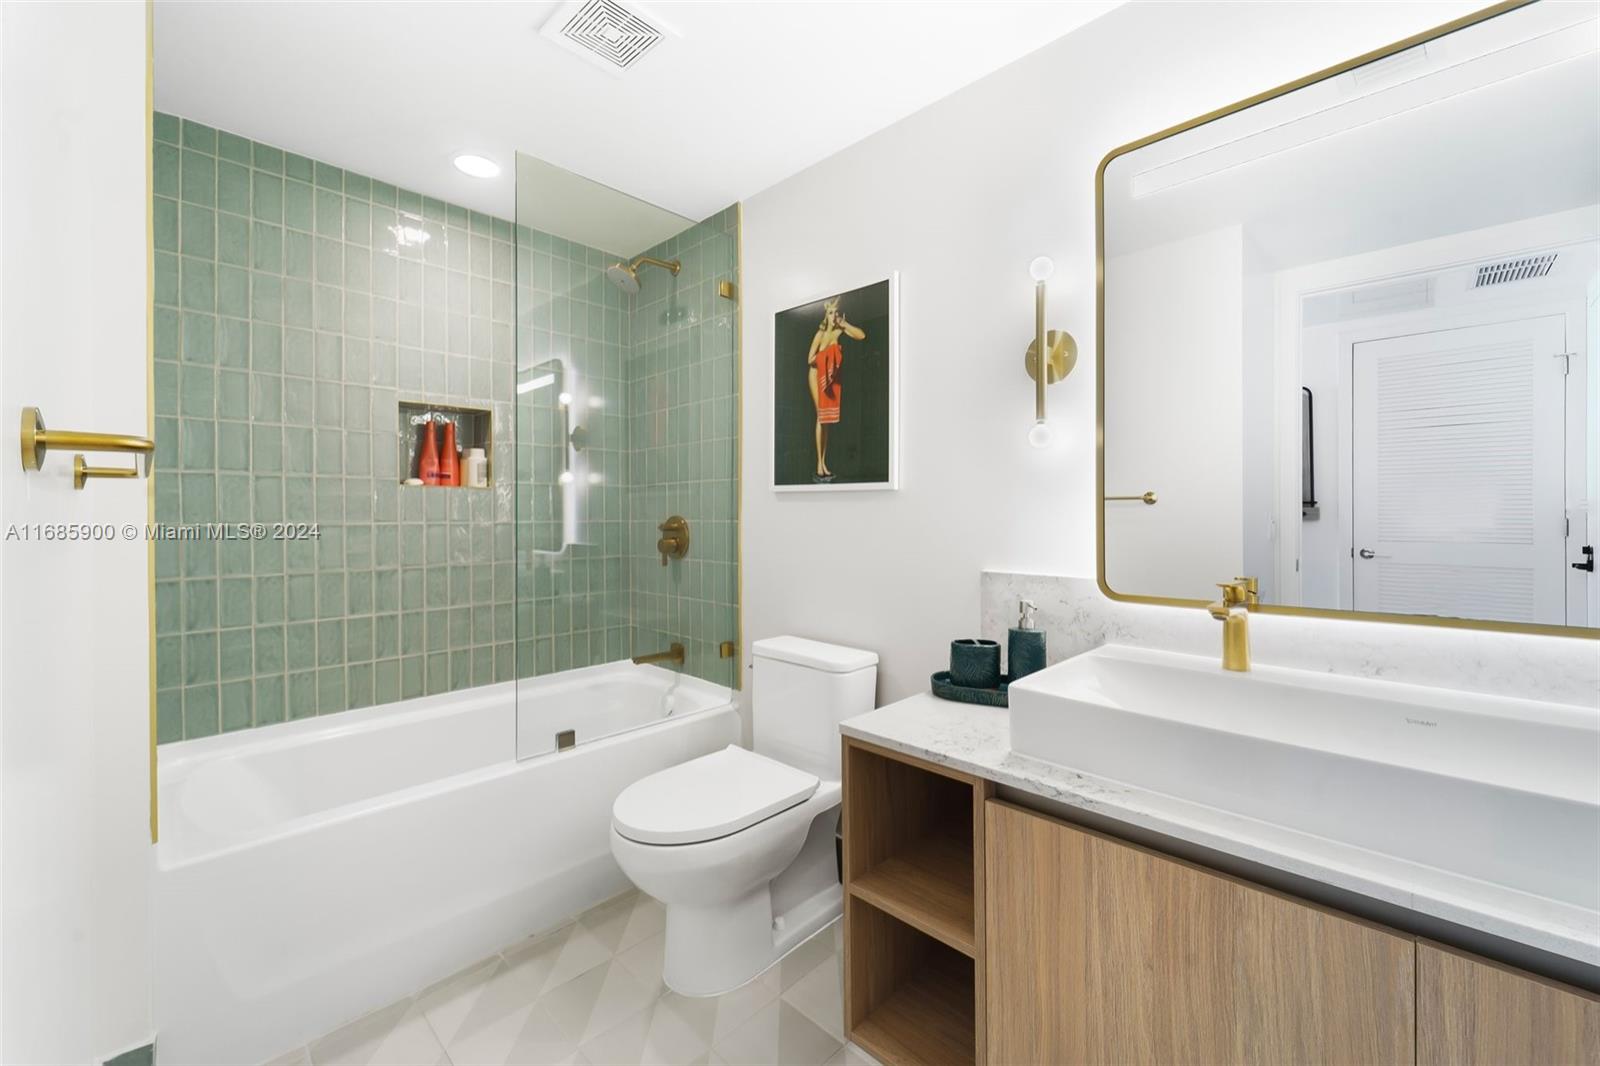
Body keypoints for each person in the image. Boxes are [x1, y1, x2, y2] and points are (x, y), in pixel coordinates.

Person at [806, 298, 866, 482]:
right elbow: (809, 359)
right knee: (820, 416)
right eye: (831, 313)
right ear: (826, 314)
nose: (834, 316)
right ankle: (819, 464)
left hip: (830, 378)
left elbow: (861, 335)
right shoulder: (820, 334)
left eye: (836, 313)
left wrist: (845, 323)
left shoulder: (839, 331)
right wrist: (828, 357)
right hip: (816, 375)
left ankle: (824, 462)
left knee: (827, 421)